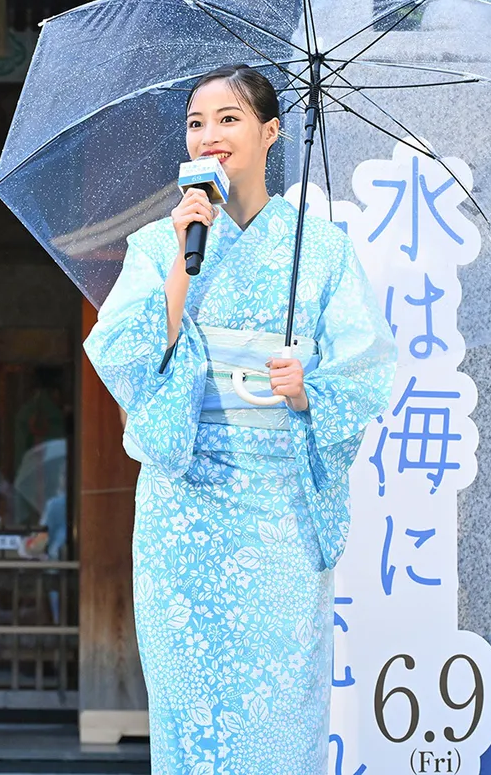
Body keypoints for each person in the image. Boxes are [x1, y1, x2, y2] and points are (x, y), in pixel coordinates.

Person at [83, 64, 396, 773]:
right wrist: (180, 267)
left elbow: (368, 367)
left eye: (228, 118)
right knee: (190, 710)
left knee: (280, 708)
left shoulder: (319, 249)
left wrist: (307, 388)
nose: (210, 135)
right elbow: (124, 356)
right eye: (196, 122)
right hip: (183, 511)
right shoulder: (162, 242)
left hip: (278, 507)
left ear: (271, 131)